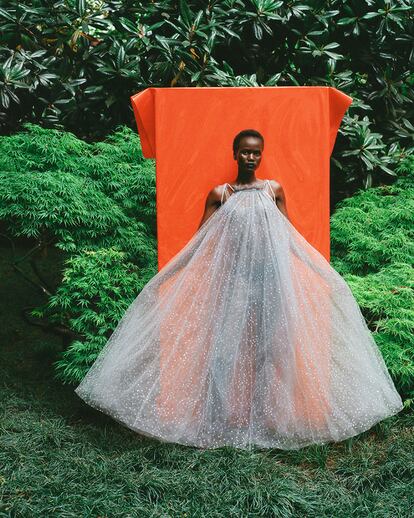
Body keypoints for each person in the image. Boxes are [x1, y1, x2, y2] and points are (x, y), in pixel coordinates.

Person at [75, 129, 404, 451]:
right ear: (235, 154)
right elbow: (200, 243)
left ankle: (262, 420)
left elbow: (289, 236)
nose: (251, 157)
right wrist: (164, 279)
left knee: (270, 353)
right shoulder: (221, 194)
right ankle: (214, 421)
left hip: (272, 283)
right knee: (223, 353)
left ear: (262, 154)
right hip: (234, 285)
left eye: (256, 152)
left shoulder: (273, 190)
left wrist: (324, 274)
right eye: (245, 151)